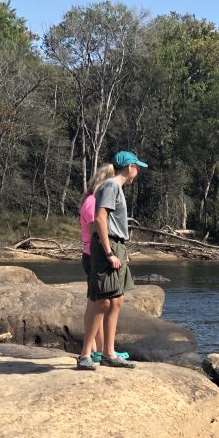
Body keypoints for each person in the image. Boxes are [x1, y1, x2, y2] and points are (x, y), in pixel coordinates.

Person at [78, 150, 147, 371]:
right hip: (107, 246)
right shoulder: (111, 186)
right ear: (129, 167)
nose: (138, 170)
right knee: (102, 301)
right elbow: (99, 218)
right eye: (137, 166)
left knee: (116, 300)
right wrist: (108, 252)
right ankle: (85, 355)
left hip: (117, 243)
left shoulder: (116, 188)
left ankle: (109, 353)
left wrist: (121, 250)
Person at [77, 163, 129, 370]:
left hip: (102, 254)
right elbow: (95, 231)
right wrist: (109, 252)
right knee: (99, 302)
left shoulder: (96, 199)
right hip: (94, 256)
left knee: (109, 301)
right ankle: (90, 352)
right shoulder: (93, 202)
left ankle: (103, 351)